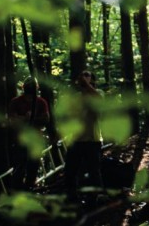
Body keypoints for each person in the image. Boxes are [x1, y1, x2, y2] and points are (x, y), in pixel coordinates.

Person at [64, 70, 104, 202]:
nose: (83, 77)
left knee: (94, 171)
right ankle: (72, 197)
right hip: (75, 139)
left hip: (92, 139)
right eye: (82, 75)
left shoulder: (98, 94)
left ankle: (95, 197)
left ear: (92, 80)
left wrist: (87, 86)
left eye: (87, 75)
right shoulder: (75, 97)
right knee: (70, 171)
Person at [8, 78, 50, 189]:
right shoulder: (16, 101)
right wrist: (25, 118)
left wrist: (30, 118)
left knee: (33, 166)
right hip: (20, 139)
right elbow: (13, 120)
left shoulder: (41, 102)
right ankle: (17, 190)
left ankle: (30, 188)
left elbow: (46, 119)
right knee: (19, 166)